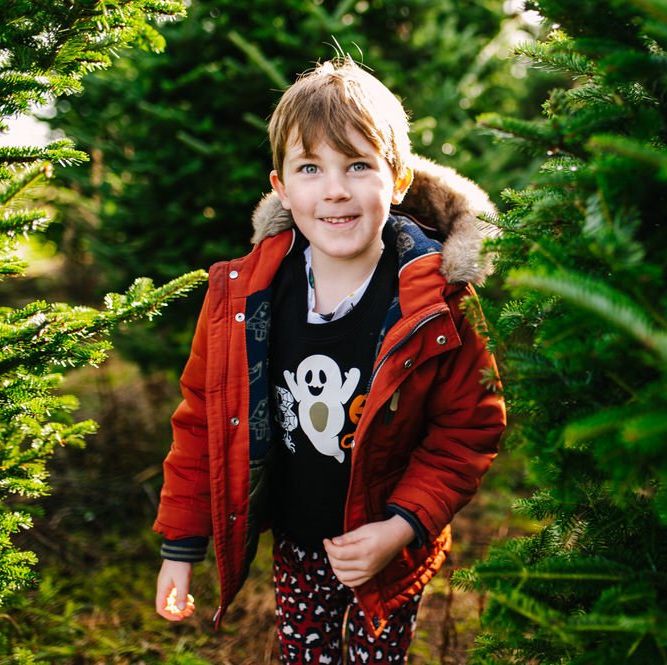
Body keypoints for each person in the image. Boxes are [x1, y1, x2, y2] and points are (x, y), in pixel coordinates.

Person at [152, 57, 506, 663]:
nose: (335, 189)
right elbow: (204, 419)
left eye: (358, 165)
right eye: (311, 168)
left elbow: (469, 427)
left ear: (397, 181)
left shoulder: (437, 302)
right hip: (297, 539)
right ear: (282, 187)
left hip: (387, 547)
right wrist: (180, 549)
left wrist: (399, 527)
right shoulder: (246, 296)